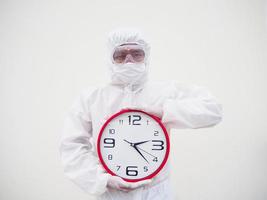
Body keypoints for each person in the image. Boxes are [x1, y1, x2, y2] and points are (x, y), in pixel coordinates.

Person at [59, 29, 223, 200]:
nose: (129, 61)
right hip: (112, 195)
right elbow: (71, 147)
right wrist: (103, 179)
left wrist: (167, 111)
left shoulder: (164, 92)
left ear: (147, 57)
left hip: (158, 194)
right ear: (110, 59)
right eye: (120, 55)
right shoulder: (92, 98)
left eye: (137, 54)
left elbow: (213, 110)